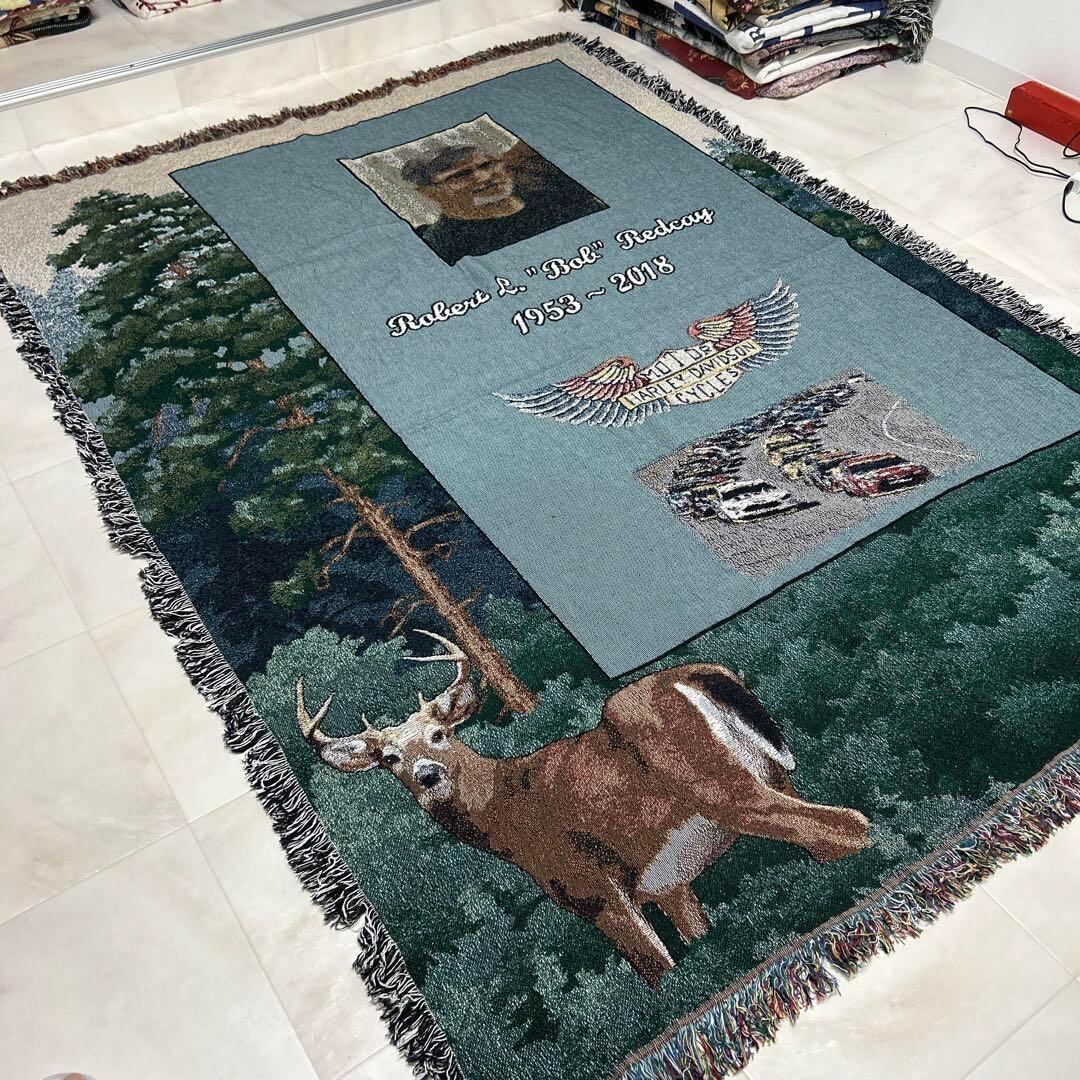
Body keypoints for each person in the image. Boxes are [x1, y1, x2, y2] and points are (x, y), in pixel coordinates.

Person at [401, 141, 606, 265]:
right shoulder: (443, 245)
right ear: (430, 193)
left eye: (487, 165)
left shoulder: (560, 195)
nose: (483, 176)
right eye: (460, 175)